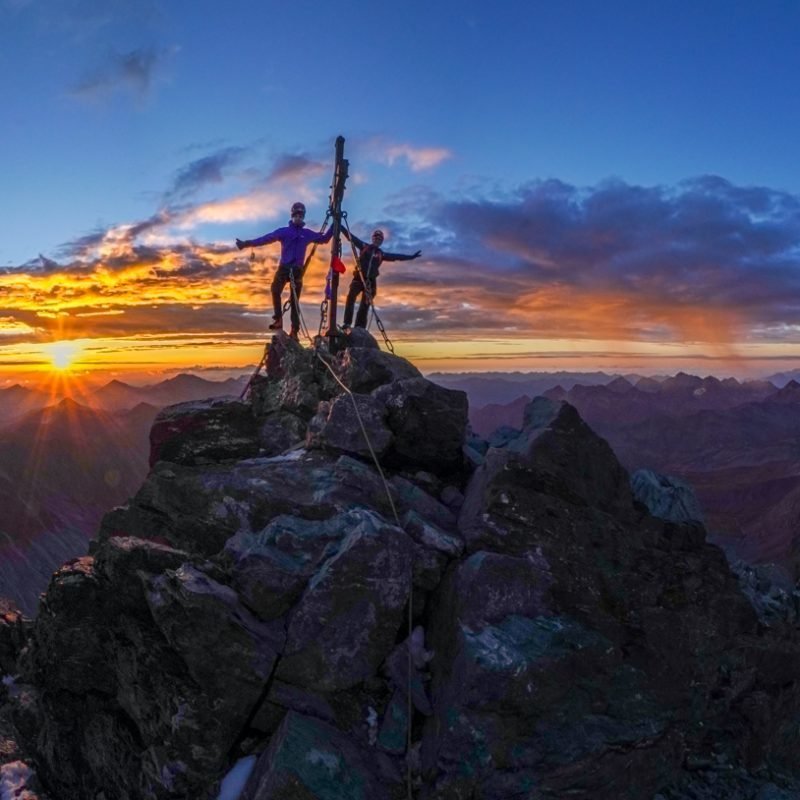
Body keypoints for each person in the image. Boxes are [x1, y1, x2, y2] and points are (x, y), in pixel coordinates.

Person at [236, 202, 333, 339]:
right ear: (292, 215)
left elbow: (324, 239)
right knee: (275, 289)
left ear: (303, 216)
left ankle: (295, 330)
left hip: (297, 270)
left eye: (301, 215)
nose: (298, 217)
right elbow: (265, 239)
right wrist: (246, 243)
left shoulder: (307, 234)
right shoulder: (284, 232)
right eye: (296, 214)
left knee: (294, 301)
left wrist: (335, 223)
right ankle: (278, 320)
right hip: (284, 268)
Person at [341, 228, 421, 330]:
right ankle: (347, 323)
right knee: (350, 298)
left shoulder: (381, 254)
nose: (377, 239)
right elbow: (351, 237)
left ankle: (359, 327)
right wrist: (341, 226)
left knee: (365, 305)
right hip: (359, 277)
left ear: (381, 241)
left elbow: (396, 257)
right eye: (376, 237)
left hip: (371, 281)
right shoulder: (364, 246)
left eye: (380, 238)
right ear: (372, 238)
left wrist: (411, 257)